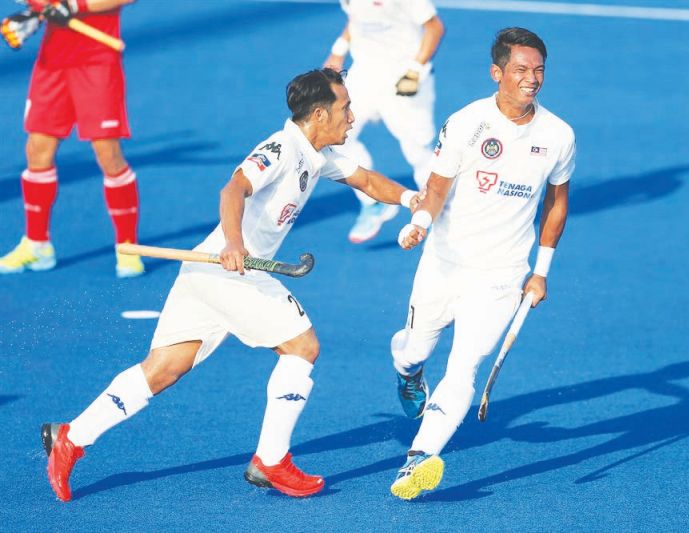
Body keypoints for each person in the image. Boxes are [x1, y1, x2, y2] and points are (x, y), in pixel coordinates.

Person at [41, 68, 420, 501]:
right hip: (233, 272)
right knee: (303, 347)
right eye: (345, 108)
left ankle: (72, 436)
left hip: (207, 278)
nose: (352, 117)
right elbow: (232, 190)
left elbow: (368, 182)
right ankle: (271, 461)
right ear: (319, 114)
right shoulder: (279, 149)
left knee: (163, 369)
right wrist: (235, 244)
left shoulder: (320, 154)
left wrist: (413, 200)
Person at [388, 27, 576, 500]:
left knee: (464, 368)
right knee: (413, 349)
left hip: (502, 275)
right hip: (444, 264)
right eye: (520, 70)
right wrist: (422, 224)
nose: (531, 79)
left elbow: (557, 204)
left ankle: (418, 459)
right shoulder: (467, 122)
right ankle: (409, 371)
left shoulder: (558, 135)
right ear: (497, 73)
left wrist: (542, 270)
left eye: (538, 71)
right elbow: (437, 186)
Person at [0, 0, 144, 278]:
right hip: (52, 62)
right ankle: (37, 244)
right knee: (37, 149)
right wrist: (35, 12)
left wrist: (74, 5)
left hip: (97, 63)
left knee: (107, 153)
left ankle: (128, 247)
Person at [323, 0, 444, 244]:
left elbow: (435, 28)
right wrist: (338, 51)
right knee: (333, 136)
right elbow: (356, 18)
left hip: (403, 77)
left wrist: (414, 70)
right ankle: (374, 202)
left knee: (417, 151)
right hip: (365, 75)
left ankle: (436, 213)